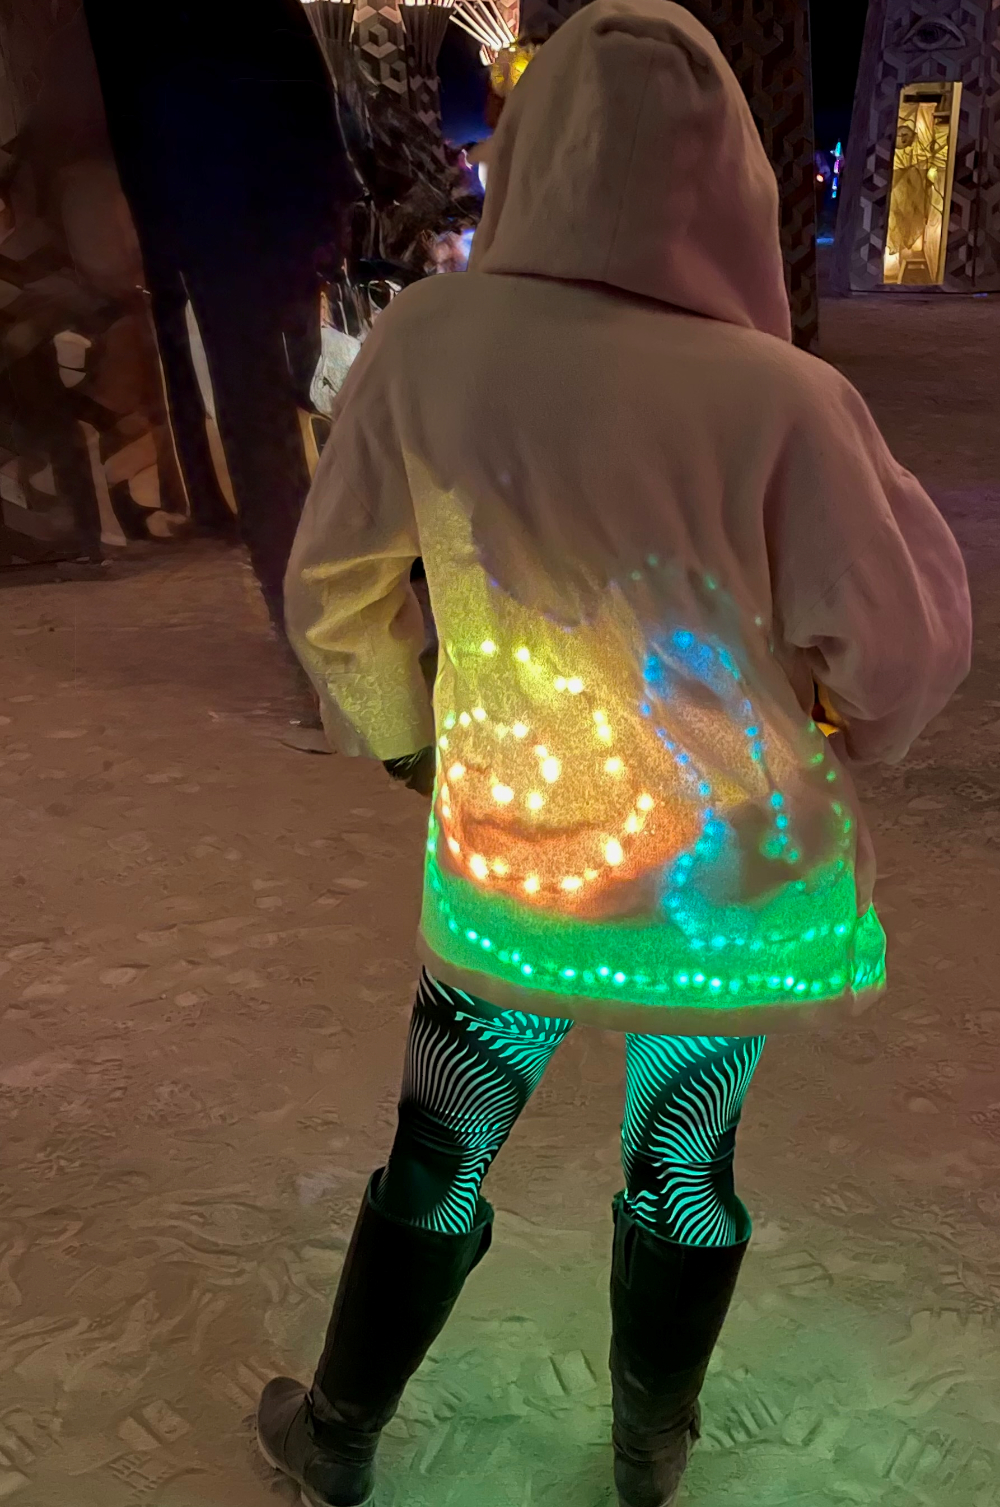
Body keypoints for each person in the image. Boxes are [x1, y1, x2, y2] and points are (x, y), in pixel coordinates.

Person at [257, 4, 972, 1505]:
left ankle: (339, 1427)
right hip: (723, 883)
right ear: (735, 179)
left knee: (438, 1140)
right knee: (685, 1160)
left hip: (518, 865)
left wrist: (406, 735)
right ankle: (651, 1442)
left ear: (528, 155)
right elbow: (900, 648)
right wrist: (851, 733)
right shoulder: (787, 398)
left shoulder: (429, 342)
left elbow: (332, 589)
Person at [81, 0, 358, 631]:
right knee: (258, 399)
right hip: (232, 198)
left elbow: (292, 65)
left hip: (221, 197)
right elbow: (294, 64)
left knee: (260, 396)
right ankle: (299, 594)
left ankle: (299, 587)